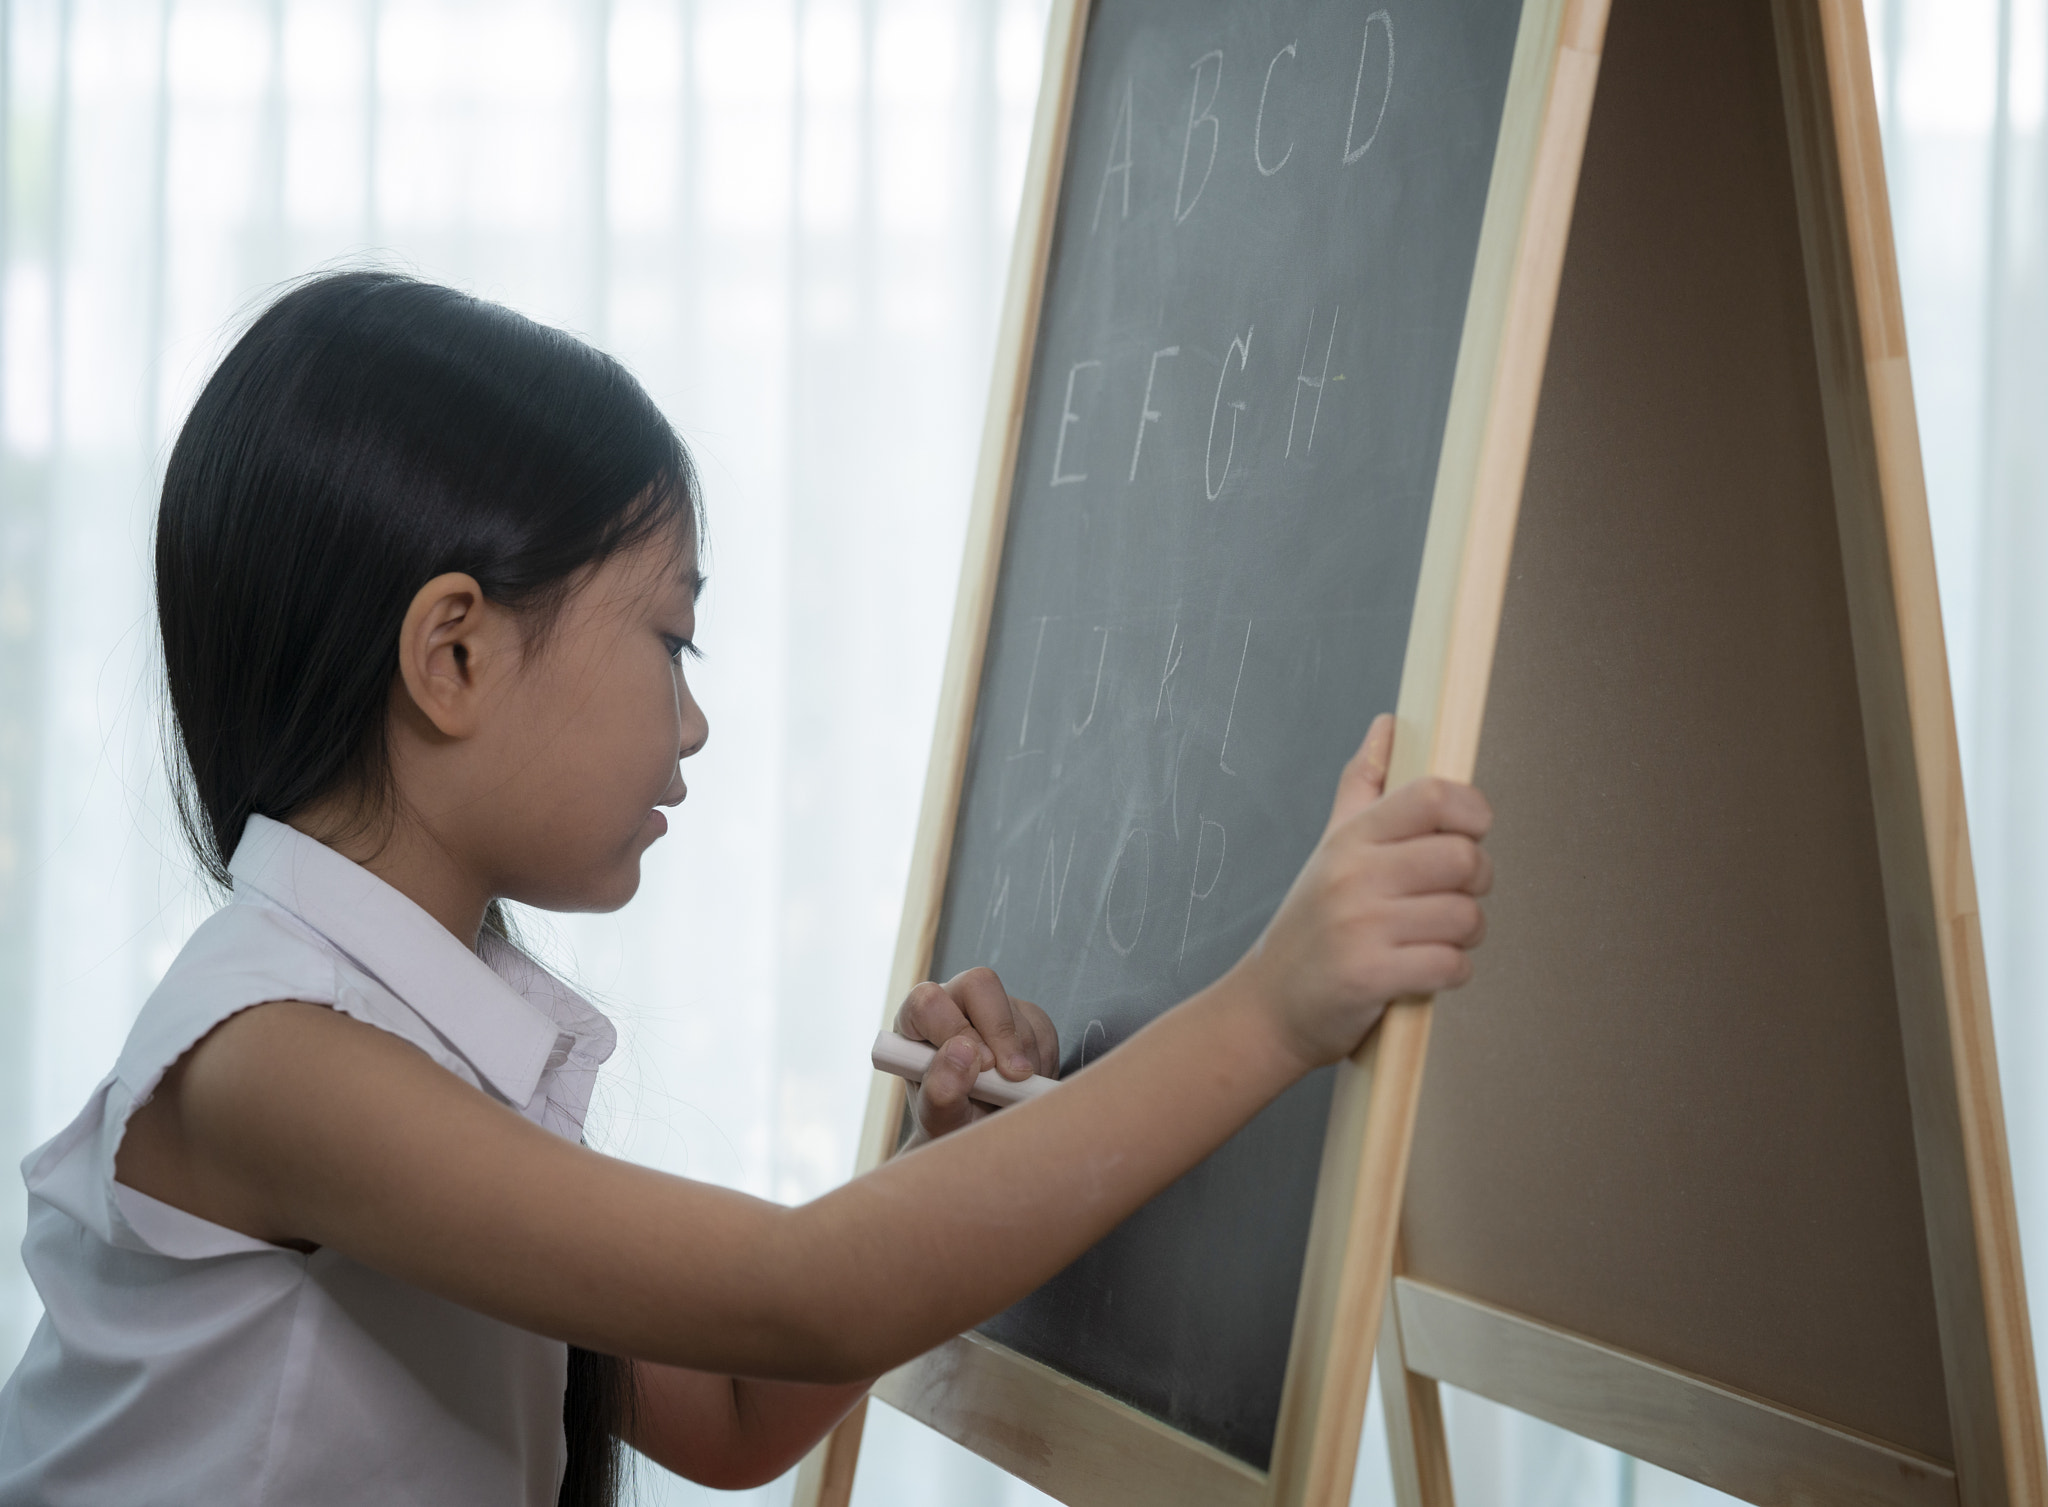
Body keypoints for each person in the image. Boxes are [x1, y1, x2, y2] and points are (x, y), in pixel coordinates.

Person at [0, 272, 1494, 1507]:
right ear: (451, 655)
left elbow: (722, 1415)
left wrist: (938, 1153)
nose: (694, 720)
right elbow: (800, 1296)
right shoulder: (275, 1062)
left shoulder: (421, 1040)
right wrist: (1275, 1009)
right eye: (671, 641)